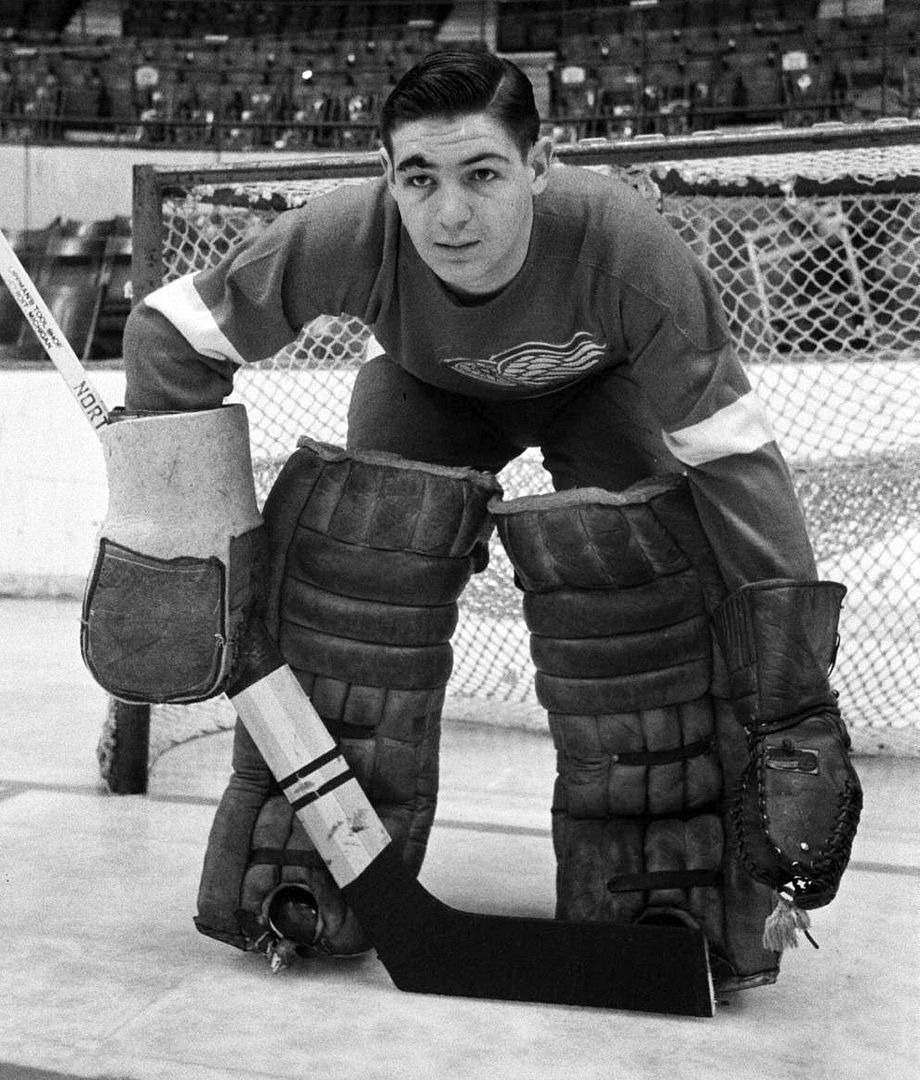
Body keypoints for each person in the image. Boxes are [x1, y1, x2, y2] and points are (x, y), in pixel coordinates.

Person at [121, 48, 861, 993]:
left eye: (482, 174)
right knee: (361, 570)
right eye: (418, 179)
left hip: (601, 395)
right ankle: (310, 874)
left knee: (641, 594)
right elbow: (170, 333)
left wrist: (794, 696)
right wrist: (176, 541)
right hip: (427, 392)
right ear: (388, 179)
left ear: (540, 166)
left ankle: (663, 891)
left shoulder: (632, 253)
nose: (450, 213)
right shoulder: (354, 232)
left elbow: (732, 460)